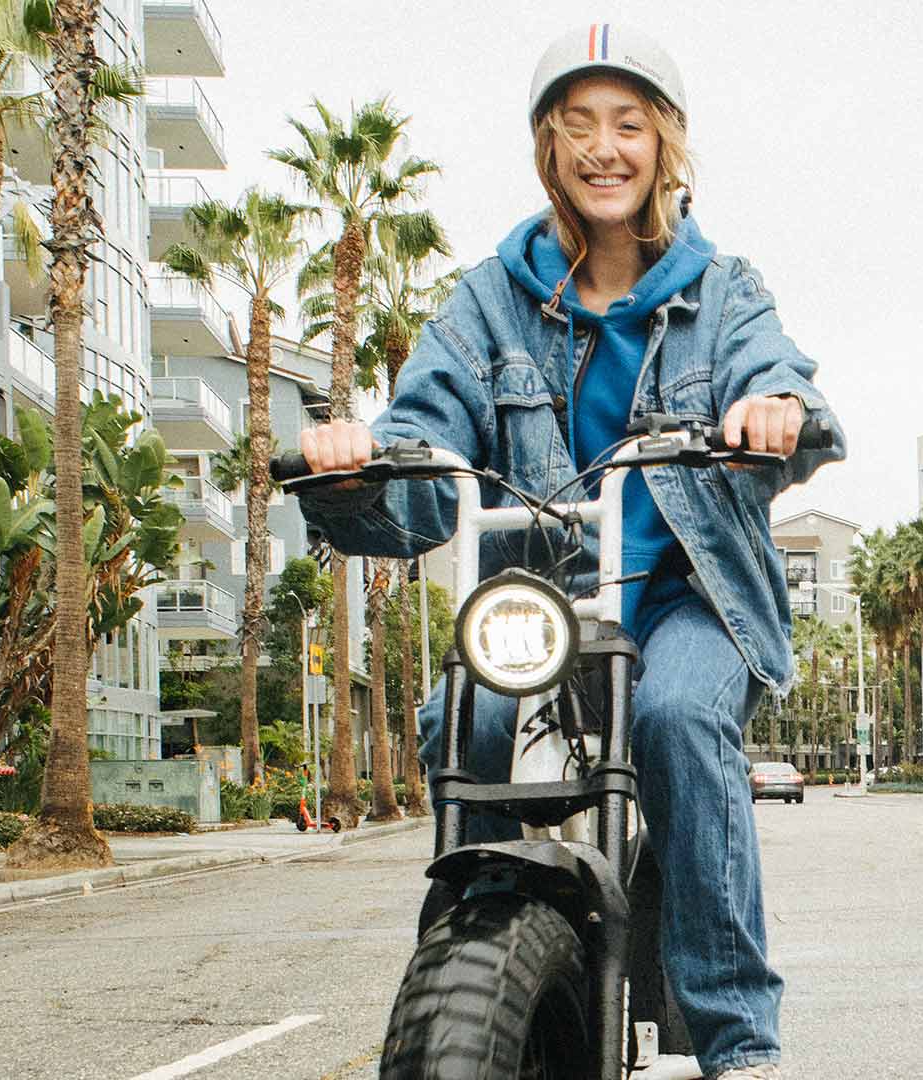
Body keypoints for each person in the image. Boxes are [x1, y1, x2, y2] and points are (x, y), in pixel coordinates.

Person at [292, 23, 842, 1080]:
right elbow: (423, 457)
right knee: (470, 713)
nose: (604, 147)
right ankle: (472, 967)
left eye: (628, 124)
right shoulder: (485, 300)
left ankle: (737, 1045)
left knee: (679, 716)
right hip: (538, 603)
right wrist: (359, 466)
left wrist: (777, 408)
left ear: (664, 143)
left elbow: (782, 377)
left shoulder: (722, 289)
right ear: (549, 144)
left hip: (690, 599)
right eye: (578, 124)